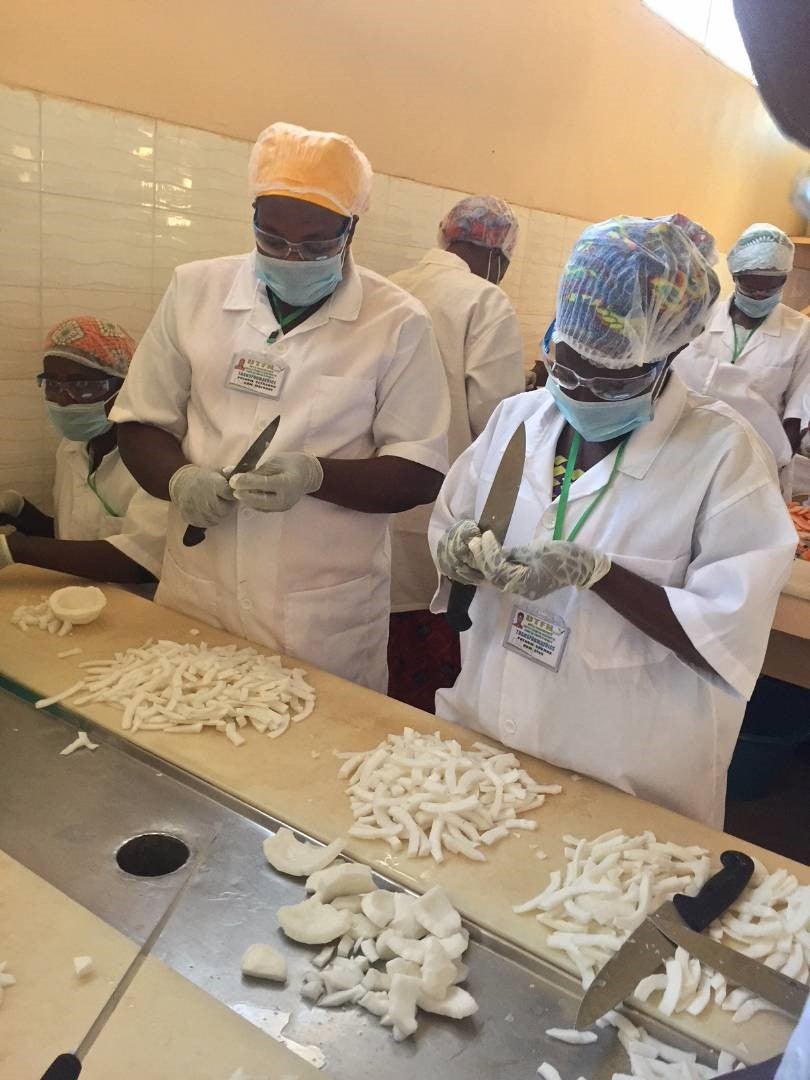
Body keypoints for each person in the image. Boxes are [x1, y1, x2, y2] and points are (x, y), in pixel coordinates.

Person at [429, 215, 796, 828]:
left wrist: (599, 574)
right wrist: (458, 550)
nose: (579, 393)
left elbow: (724, 637)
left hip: (626, 783)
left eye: (608, 379)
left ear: (666, 358)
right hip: (487, 744)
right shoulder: (519, 420)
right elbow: (453, 523)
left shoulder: (724, 459)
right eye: (565, 367)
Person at [111, 122, 449, 692]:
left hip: (318, 617)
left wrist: (316, 476)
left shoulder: (398, 322)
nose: (293, 256)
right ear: (253, 219)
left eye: (316, 243)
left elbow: (418, 472)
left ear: (352, 228)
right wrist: (179, 479)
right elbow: (141, 420)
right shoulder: (195, 291)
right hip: (201, 586)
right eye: (273, 238)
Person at [387, 195, 525, 710]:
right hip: (436, 512)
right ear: (500, 256)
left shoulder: (390, 284)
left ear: (446, 235)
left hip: (371, 496)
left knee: (364, 662)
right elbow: (501, 423)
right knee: (417, 679)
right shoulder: (484, 301)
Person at [0, 317, 167, 584]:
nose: (64, 399)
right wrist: (20, 511)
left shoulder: (156, 459)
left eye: (82, 385)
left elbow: (140, 561)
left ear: (124, 386)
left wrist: (16, 549)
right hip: (75, 599)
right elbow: (71, 540)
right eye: (52, 384)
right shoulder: (73, 447)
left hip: (137, 610)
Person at [675, 223, 810, 494]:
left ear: (784, 279)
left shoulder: (800, 330)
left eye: (771, 285)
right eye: (751, 285)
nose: (760, 294)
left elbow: (797, 411)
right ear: (735, 276)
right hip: (692, 443)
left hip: (758, 455)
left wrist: (777, 462)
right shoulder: (704, 316)